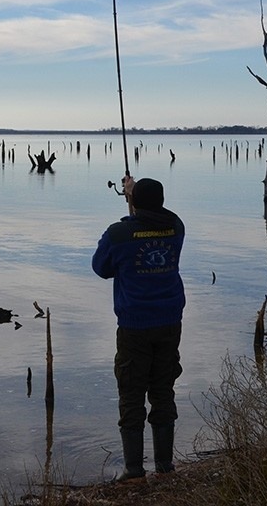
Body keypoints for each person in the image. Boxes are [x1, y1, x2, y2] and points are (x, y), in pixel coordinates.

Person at [91, 174, 185, 481]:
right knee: (163, 391)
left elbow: (101, 268)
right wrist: (134, 199)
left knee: (131, 395)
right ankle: (165, 467)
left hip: (134, 327)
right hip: (170, 323)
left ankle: (133, 471)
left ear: (133, 202)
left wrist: (131, 201)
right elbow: (154, 221)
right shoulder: (176, 228)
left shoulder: (119, 233)